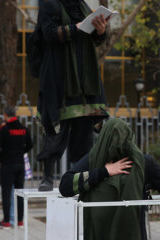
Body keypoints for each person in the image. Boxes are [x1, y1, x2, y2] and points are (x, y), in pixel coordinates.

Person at [59, 118, 160, 240]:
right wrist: (104, 171)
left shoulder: (142, 163)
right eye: (112, 139)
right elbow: (65, 186)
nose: (117, 144)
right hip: (99, 234)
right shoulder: (93, 160)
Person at [35, 0, 110, 191]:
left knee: (84, 131)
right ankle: (48, 177)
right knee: (56, 130)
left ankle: (81, 176)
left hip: (85, 77)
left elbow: (95, 39)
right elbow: (49, 33)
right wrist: (76, 27)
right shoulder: (48, 4)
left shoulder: (83, 6)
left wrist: (101, 31)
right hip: (60, 75)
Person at [0, 107, 33, 229]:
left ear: (5, 115)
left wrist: (1, 157)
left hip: (7, 165)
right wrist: (20, 153)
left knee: (6, 194)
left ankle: (6, 222)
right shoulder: (24, 129)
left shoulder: (4, 129)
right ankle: (20, 221)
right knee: (20, 193)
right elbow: (30, 145)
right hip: (20, 165)